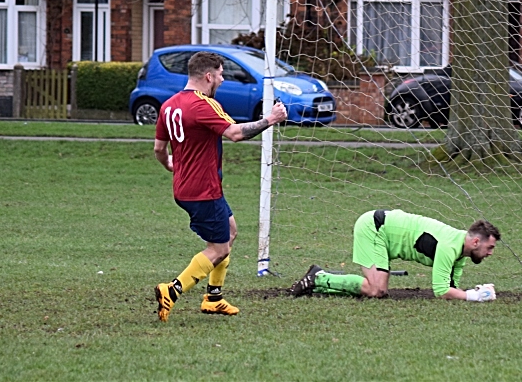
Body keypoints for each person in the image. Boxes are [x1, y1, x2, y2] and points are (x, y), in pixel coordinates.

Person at [153, 51, 288, 322]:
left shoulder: (169, 105)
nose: (223, 80)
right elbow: (236, 133)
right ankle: (172, 290)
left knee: (230, 231)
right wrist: (270, 120)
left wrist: (170, 163)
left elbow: (158, 148)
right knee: (219, 248)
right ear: (208, 76)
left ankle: (213, 299)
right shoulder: (203, 105)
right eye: (221, 74)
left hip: (187, 187)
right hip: (203, 190)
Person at [288, 209, 500, 302]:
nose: (490, 253)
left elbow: (451, 290)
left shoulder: (460, 254)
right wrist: (475, 296)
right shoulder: (448, 246)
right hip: (374, 227)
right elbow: (442, 291)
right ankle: (318, 277)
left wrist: (475, 291)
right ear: (475, 242)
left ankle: (320, 284)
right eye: (489, 248)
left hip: (385, 232)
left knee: (377, 291)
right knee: (376, 290)